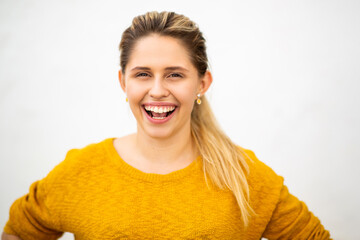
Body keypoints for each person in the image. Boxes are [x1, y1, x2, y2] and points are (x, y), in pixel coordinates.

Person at [2, 11, 331, 240]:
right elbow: (20, 229)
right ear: (123, 82)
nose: (157, 90)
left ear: (202, 83)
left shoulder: (244, 176)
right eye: (143, 74)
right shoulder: (81, 171)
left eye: (175, 74)